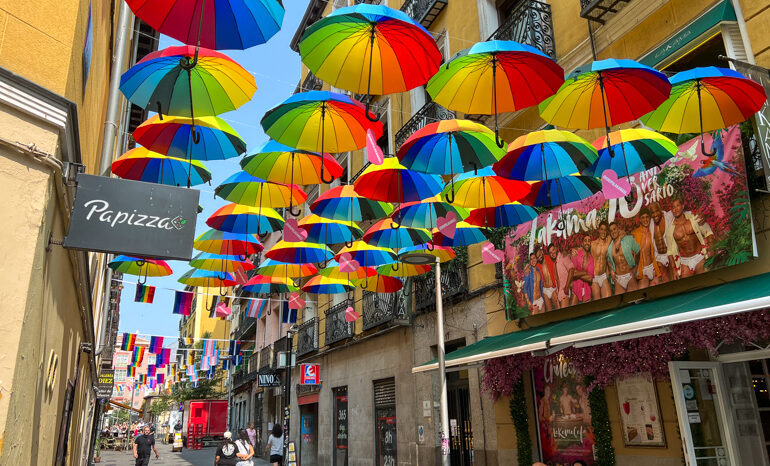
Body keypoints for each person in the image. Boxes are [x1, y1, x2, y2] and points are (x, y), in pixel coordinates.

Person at [666, 197, 714, 277]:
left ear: (683, 206)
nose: (675, 209)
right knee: (687, 286)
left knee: (705, 278)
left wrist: (711, 253)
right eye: (673, 207)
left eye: (678, 205)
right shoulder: (670, 230)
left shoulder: (694, 219)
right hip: (684, 262)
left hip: (699, 258)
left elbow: (708, 233)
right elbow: (670, 252)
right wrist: (674, 270)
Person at [607, 222, 640, 294]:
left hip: (629, 276)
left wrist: (636, 267)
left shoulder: (628, 240)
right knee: (621, 303)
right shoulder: (610, 248)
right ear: (610, 233)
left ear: (618, 229)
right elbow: (608, 260)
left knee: (634, 300)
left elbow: (638, 251)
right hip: (618, 279)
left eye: (614, 229)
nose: (613, 232)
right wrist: (612, 271)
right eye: (611, 231)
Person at [632, 208, 659, 288]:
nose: (645, 220)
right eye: (643, 218)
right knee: (642, 291)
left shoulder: (652, 231)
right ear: (640, 219)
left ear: (650, 218)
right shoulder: (635, 234)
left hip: (652, 267)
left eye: (647, 217)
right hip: (642, 270)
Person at [649, 202, 675, 282]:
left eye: (656, 211)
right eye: (652, 213)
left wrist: (698, 215)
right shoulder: (650, 224)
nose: (655, 215)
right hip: (659, 257)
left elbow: (682, 212)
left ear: (660, 210)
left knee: (674, 277)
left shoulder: (669, 216)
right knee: (665, 280)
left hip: (670, 254)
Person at [590, 222, 612, 299]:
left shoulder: (608, 240)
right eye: (602, 229)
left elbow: (621, 232)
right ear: (598, 230)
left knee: (608, 300)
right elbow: (581, 249)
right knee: (598, 302)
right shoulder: (593, 244)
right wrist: (574, 250)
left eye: (605, 230)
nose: (603, 232)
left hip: (603, 276)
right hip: (594, 277)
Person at [571, 235, 594, 304]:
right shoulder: (576, 254)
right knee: (572, 311)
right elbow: (572, 273)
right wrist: (584, 273)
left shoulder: (591, 259)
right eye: (585, 240)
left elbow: (590, 278)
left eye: (589, 241)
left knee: (588, 312)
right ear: (582, 243)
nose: (587, 243)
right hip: (576, 287)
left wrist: (578, 273)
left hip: (587, 289)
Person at [536, 244, 559, 311]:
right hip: (545, 290)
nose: (539, 257)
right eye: (537, 257)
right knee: (549, 310)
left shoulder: (549, 258)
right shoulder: (537, 265)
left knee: (558, 307)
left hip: (553, 288)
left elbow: (558, 255)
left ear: (542, 252)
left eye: (540, 255)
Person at [552, 243, 575, 307]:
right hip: (559, 291)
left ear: (556, 249)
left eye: (553, 250)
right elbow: (557, 279)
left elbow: (571, 269)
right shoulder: (555, 262)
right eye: (550, 252)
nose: (552, 253)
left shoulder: (563, 256)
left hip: (564, 290)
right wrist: (557, 291)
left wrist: (567, 287)